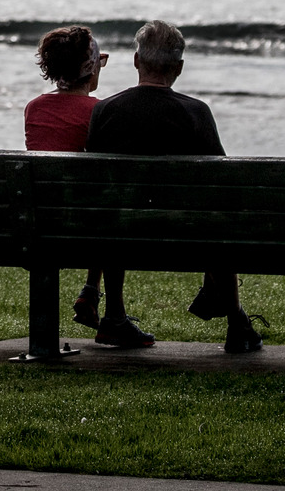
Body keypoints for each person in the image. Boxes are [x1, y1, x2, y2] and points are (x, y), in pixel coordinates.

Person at [84, 19, 266, 353]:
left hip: (118, 236)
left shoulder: (105, 111)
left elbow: (100, 189)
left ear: (137, 61)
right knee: (218, 220)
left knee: (114, 212)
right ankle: (236, 322)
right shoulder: (195, 113)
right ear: (179, 68)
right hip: (189, 239)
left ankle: (114, 314)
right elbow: (222, 187)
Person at [23, 25, 107, 328]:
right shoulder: (99, 111)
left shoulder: (34, 109)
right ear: (91, 69)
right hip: (86, 230)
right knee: (106, 208)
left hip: (37, 228)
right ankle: (94, 294)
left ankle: (89, 294)